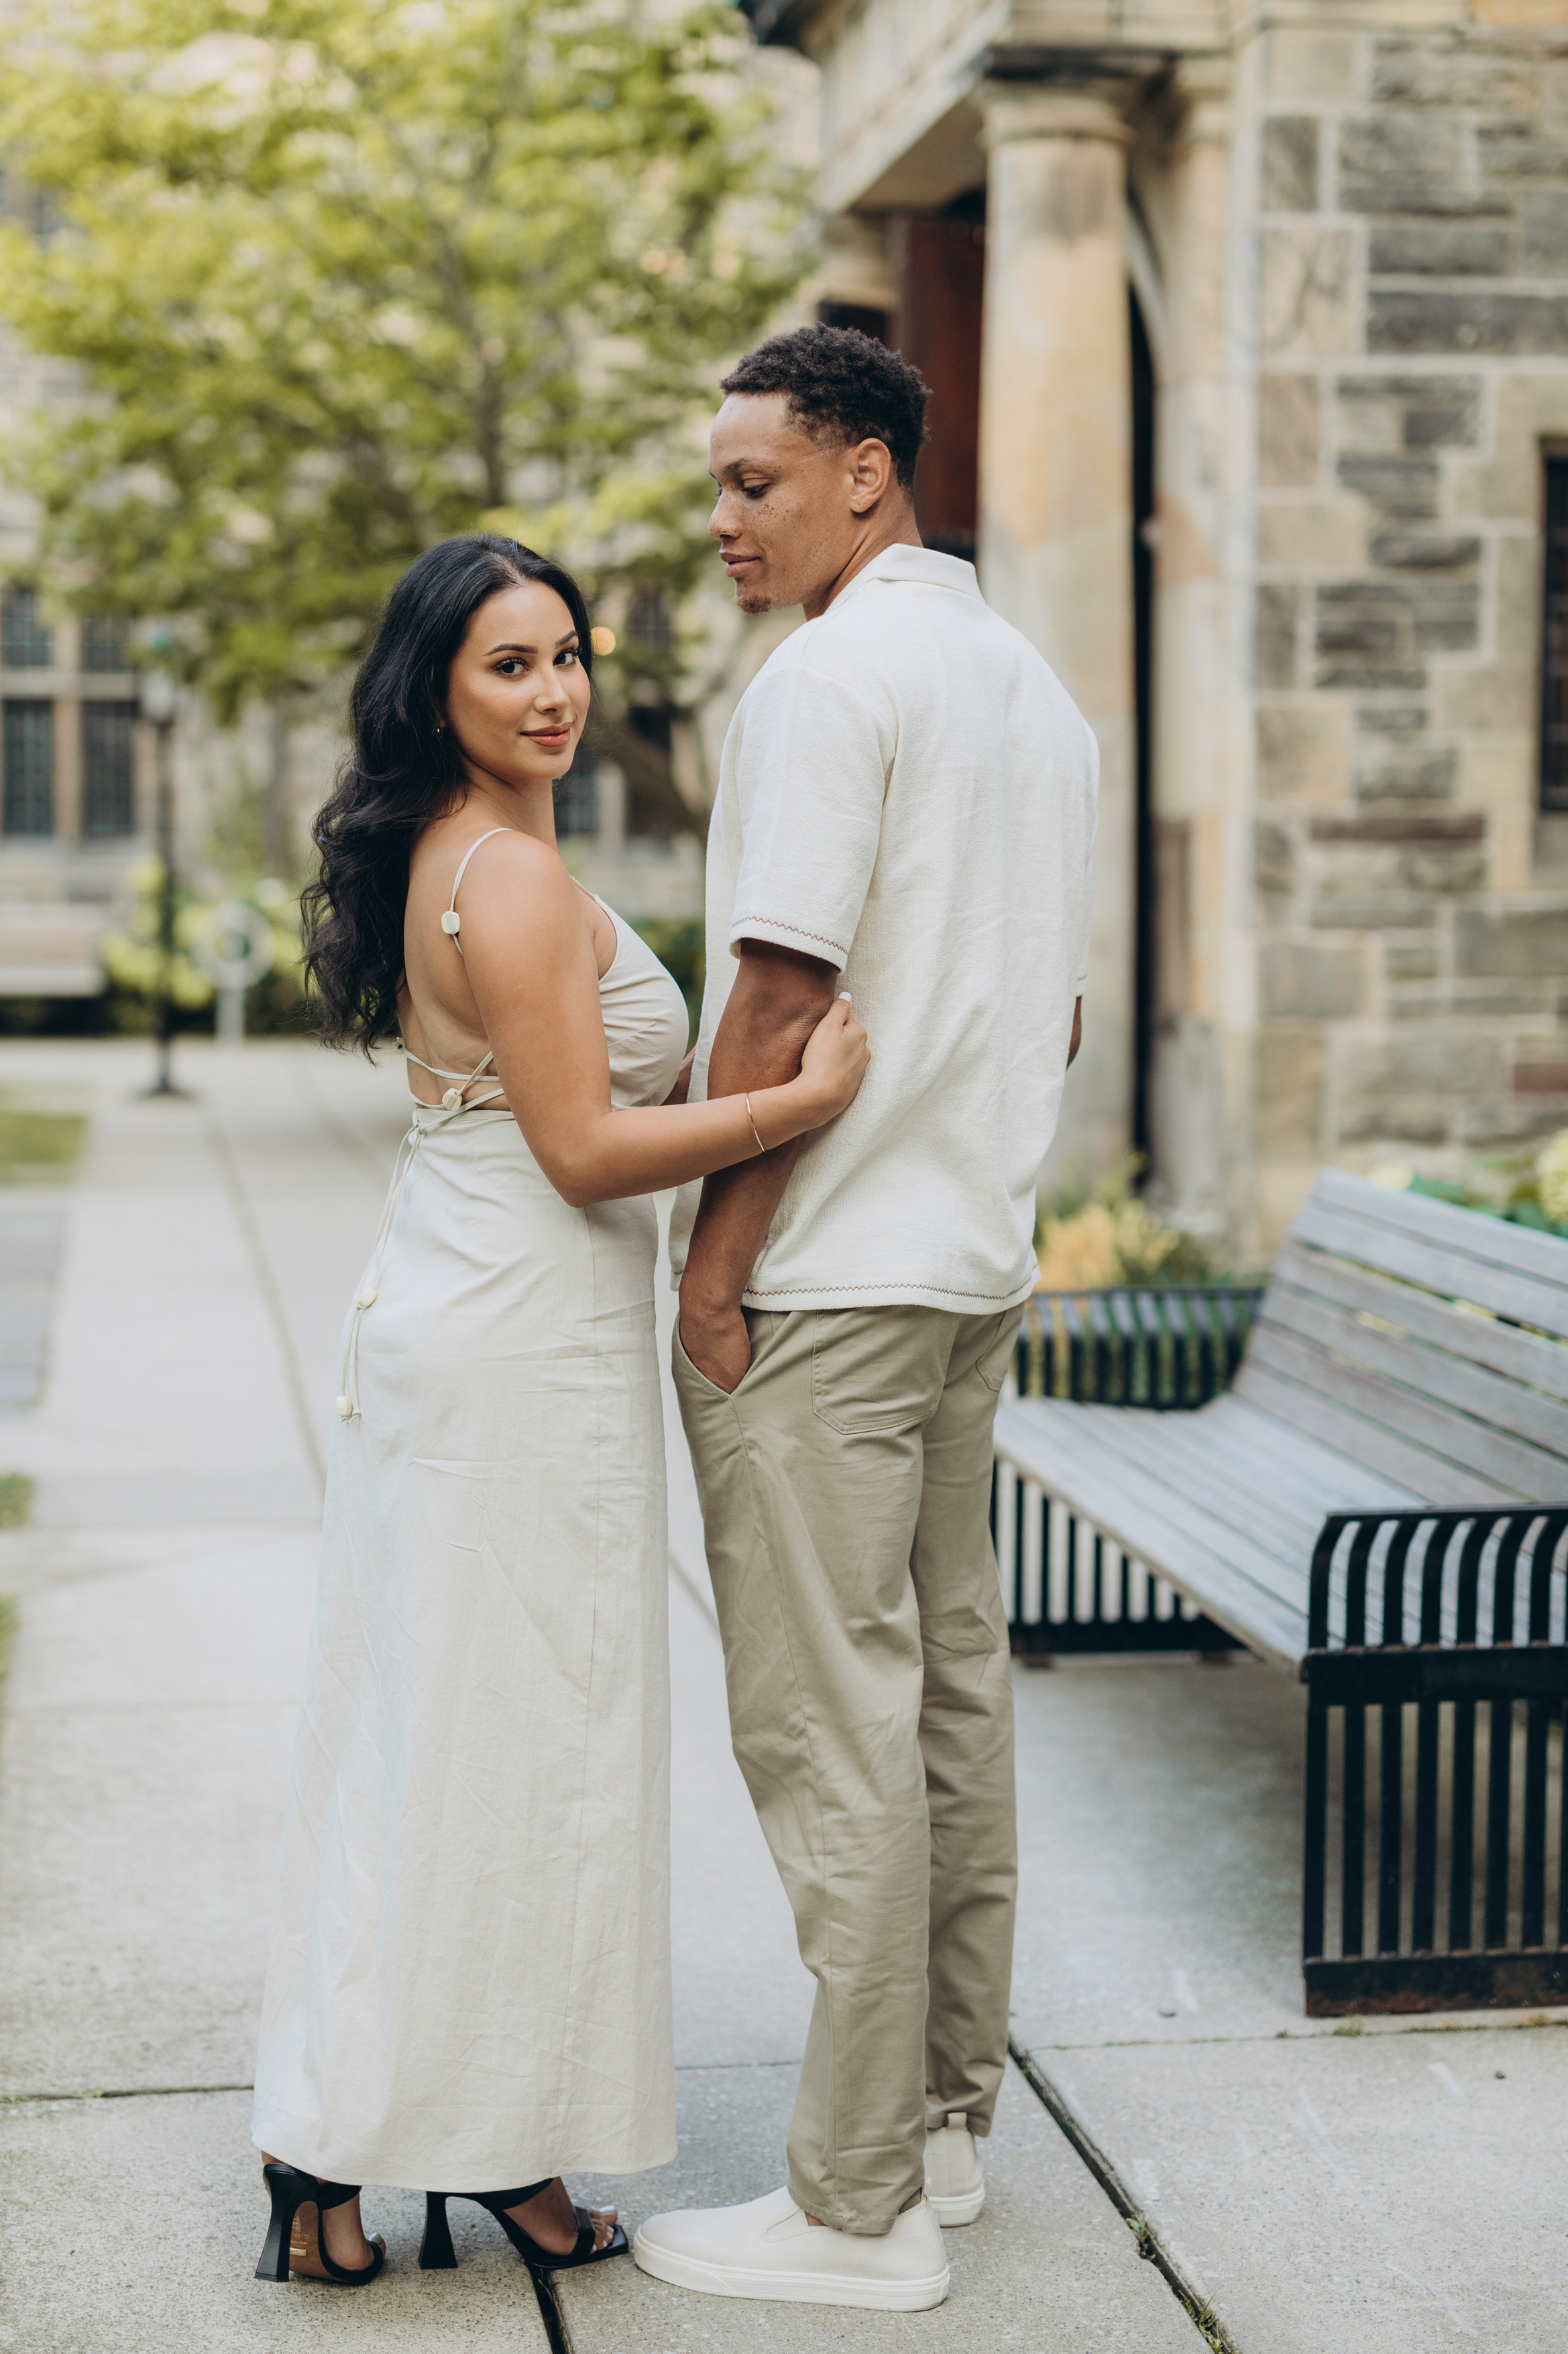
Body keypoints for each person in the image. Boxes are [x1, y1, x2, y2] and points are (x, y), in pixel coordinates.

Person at [247, 533, 869, 2291]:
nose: (557, 690)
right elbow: (586, 1152)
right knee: (482, 1756)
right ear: (439, 687)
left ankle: (495, 2138)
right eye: (511, 663)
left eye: (569, 654)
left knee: (506, 1753)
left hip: (493, 1326)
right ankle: (333, 2152)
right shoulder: (504, 878)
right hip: (510, 1345)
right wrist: (796, 1102)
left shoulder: (478, 851)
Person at [632, 328, 1097, 2313]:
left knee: (835, 1737)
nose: (723, 519)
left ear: (866, 479)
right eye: (718, 483)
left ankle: (849, 2209)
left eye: (755, 481)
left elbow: (774, 993)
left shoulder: (831, 678)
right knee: (951, 1708)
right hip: (972, 1267)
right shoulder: (1031, 688)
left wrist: (709, 1268)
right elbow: (1054, 1005)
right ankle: (946, 2134)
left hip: (826, 1281)